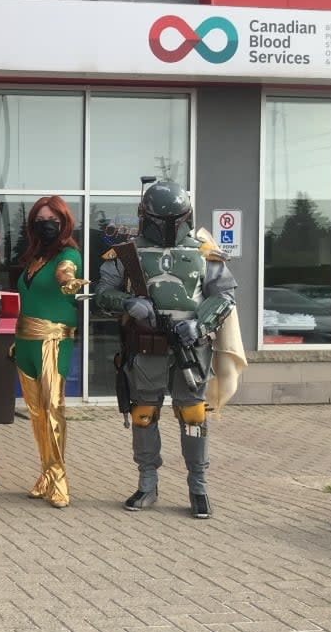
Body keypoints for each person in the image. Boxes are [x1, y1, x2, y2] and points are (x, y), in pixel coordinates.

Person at [95, 180, 236, 519]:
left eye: (174, 218)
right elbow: (102, 294)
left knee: (193, 415)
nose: (167, 226)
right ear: (145, 216)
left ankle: (198, 487)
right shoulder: (126, 253)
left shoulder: (205, 252)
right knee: (144, 413)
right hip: (147, 345)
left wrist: (200, 323)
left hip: (191, 345)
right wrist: (129, 303)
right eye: (160, 219)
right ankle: (147, 483)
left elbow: (224, 297)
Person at [13, 197, 86, 508]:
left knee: (53, 409)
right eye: (40, 218)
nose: (46, 224)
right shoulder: (34, 259)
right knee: (36, 414)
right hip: (26, 341)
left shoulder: (68, 255)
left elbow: (66, 275)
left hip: (52, 341)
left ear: (64, 221)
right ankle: (46, 473)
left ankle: (59, 479)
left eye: (52, 218)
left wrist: (69, 282)